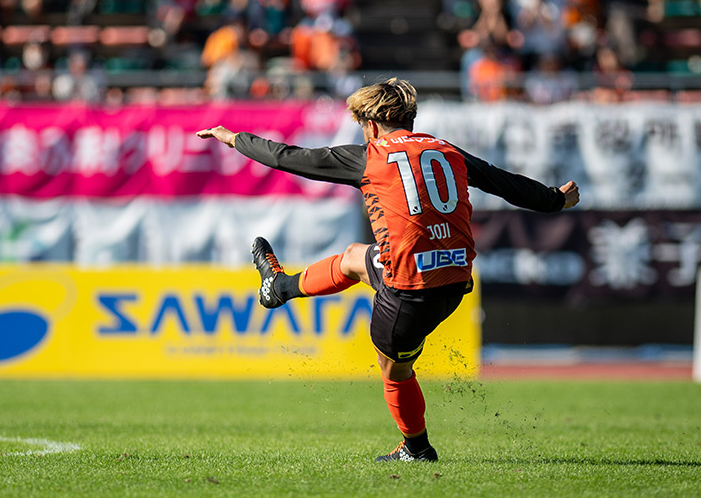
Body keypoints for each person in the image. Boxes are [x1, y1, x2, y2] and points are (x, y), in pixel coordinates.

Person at [197, 78, 580, 462]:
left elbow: (288, 157)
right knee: (354, 257)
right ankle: (279, 287)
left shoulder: (370, 156)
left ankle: (417, 448)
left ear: (371, 125)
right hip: (454, 278)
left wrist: (233, 138)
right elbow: (502, 182)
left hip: (409, 295)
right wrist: (554, 199)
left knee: (394, 370)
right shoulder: (445, 149)